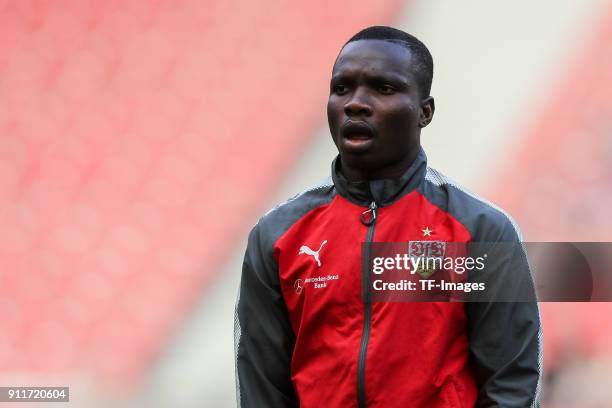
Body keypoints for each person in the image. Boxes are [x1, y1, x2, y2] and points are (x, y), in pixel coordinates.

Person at [234, 26, 542, 407]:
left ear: (424, 112)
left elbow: (510, 382)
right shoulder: (277, 235)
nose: (356, 103)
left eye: (383, 88)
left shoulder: (481, 230)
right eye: (342, 88)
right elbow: (262, 385)